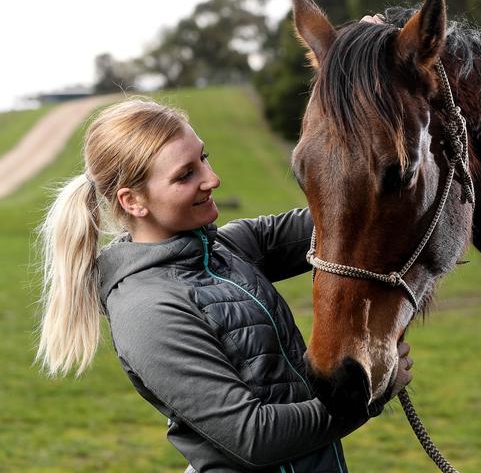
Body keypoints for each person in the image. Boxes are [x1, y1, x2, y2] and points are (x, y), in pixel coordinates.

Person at [36, 97, 413, 472]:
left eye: (203, 157)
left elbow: (345, 222)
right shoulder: (148, 310)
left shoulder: (224, 247)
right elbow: (253, 438)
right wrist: (367, 396)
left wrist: (408, 171)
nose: (211, 178)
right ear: (133, 201)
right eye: (185, 175)